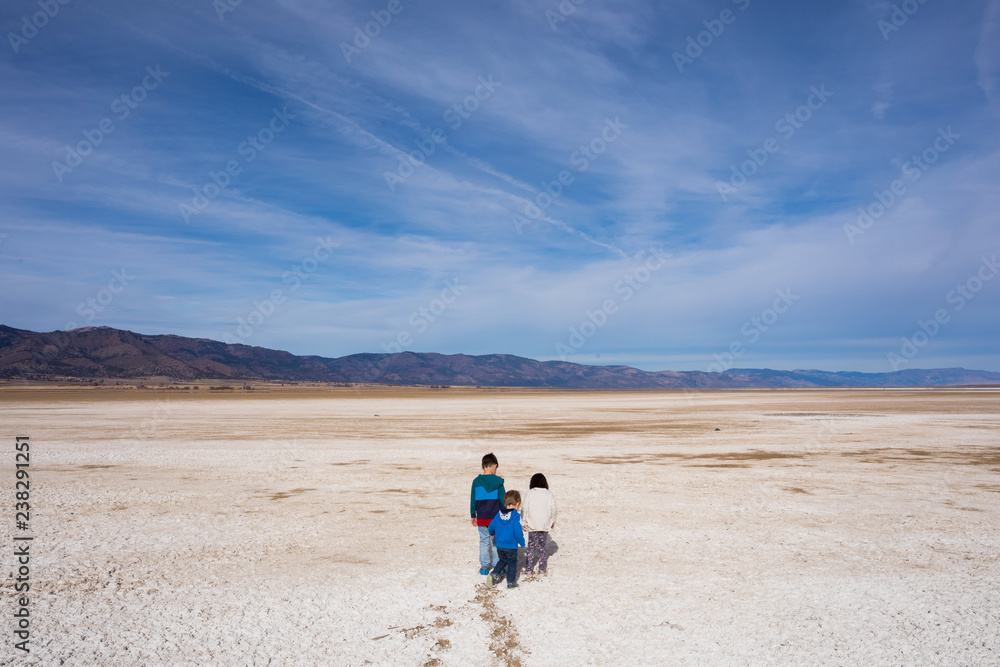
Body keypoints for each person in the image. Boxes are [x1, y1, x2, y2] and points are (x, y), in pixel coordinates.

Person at [471, 453, 506, 575]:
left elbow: (473, 500)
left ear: (482, 467)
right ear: (494, 466)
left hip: (481, 518)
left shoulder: (476, 482)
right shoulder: (498, 482)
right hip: (495, 519)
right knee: (496, 543)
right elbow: (503, 501)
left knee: (484, 542)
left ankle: (485, 567)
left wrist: (473, 515)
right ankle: (497, 567)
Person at [487, 490, 525, 589]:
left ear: (505, 503)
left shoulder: (498, 514)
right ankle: (511, 583)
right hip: (511, 545)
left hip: (500, 545)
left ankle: (494, 574)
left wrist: (492, 533)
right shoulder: (516, 516)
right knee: (512, 563)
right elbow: (517, 531)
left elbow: (491, 525)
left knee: (503, 560)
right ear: (517, 503)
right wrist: (522, 542)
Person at [521, 473, 557, 575]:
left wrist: (523, 521)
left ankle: (528, 569)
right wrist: (553, 521)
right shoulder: (549, 494)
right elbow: (554, 509)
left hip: (532, 525)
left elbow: (524, 508)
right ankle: (542, 568)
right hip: (544, 525)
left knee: (531, 547)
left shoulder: (530, 493)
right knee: (542, 546)